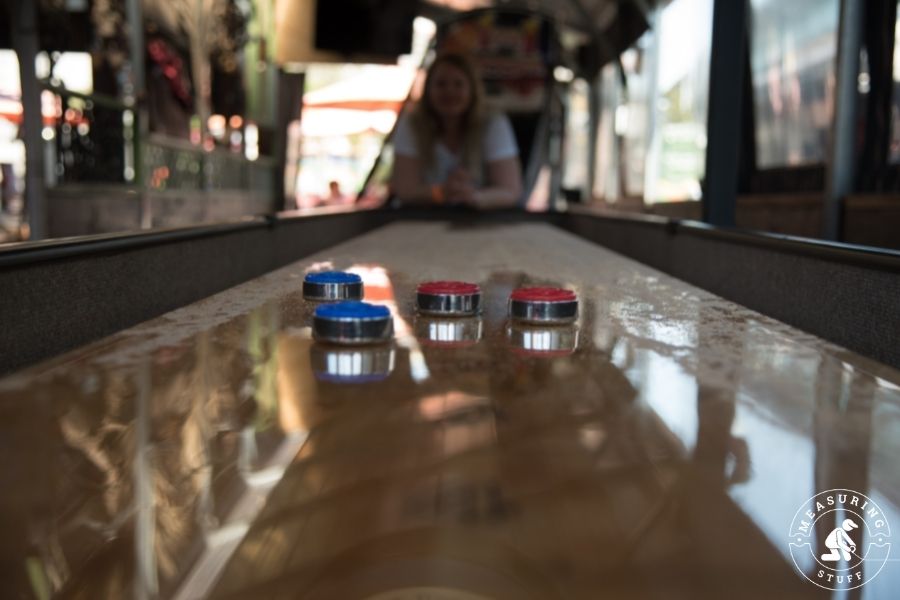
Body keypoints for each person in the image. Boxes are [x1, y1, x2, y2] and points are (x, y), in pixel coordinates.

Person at [390, 53, 523, 209]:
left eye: (458, 84)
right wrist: (441, 193)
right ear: (428, 90)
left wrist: (473, 197)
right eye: (441, 84)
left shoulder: (493, 123)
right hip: (422, 219)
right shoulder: (412, 124)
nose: (449, 92)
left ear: (472, 90)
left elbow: (511, 191)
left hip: (481, 221)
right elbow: (404, 190)